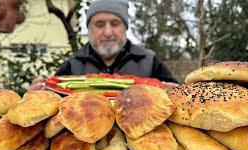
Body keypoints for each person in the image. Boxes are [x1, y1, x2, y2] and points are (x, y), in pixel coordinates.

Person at [29, 0, 177, 91]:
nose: (107, 32)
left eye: (115, 23)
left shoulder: (149, 60)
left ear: (125, 27)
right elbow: (54, 98)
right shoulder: (73, 63)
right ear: (89, 28)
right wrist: (38, 94)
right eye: (99, 24)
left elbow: (178, 97)